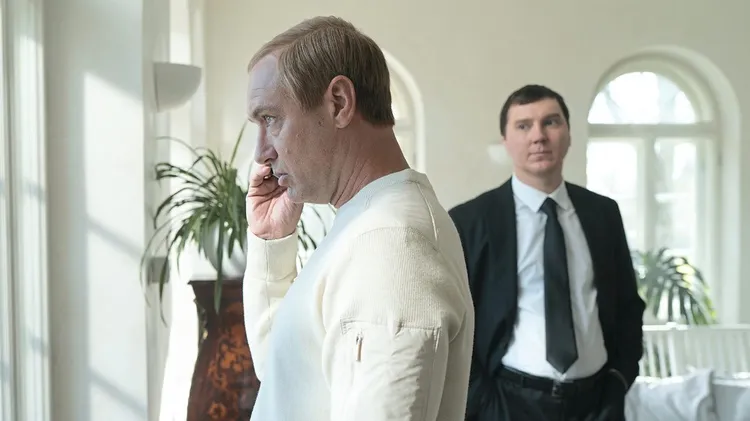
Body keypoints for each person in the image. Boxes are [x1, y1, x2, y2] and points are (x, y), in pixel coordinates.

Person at [242, 16, 475, 421]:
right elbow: (287, 375)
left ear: (339, 103)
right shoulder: (366, 222)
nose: (262, 151)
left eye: (271, 119)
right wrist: (272, 243)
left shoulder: (390, 243)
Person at [448, 84, 646, 421]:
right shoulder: (470, 221)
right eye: (523, 126)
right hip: (508, 404)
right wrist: (482, 401)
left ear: (568, 134)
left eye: (550, 122)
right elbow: (455, 322)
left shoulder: (603, 213)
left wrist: (619, 382)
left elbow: (628, 304)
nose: (538, 136)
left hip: (598, 403)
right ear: (505, 141)